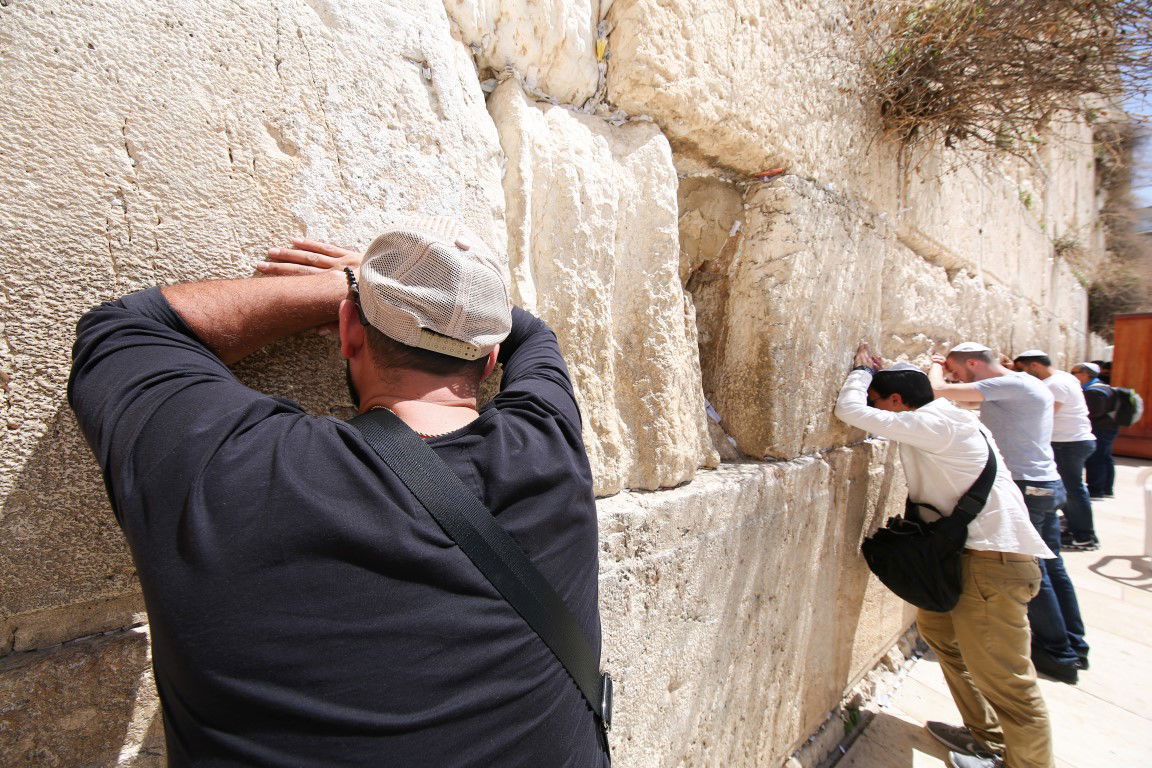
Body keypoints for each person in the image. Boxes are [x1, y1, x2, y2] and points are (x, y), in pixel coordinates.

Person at [68, 218, 609, 767]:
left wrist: (356, 283)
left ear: (350, 331)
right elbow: (533, 333)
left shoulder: (232, 467)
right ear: (490, 360)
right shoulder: (551, 449)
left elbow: (126, 328)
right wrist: (435, 295)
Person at [836, 344, 1054, 768]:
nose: (876, 411)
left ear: (897, 402)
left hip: (992, 563)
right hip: (969, 557)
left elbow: (851, 411)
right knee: (942, 636)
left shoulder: (935, 423)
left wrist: (861, 372)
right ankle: (986, 736)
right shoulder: (945, 419)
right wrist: (885, 371)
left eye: (879, 403)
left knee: (1009, 682)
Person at [928, 343, 1088, 683]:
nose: (955, 376)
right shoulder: (1025, 386)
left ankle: (1057, 652)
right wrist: (950, 379)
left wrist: (937, 365)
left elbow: (939, 390)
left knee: (1031, 571)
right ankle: (1074, 646)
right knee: (1054, 568)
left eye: (958, 370)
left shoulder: (1010, 384)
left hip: (1027, 486)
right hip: (1045, 483)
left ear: (973, 362)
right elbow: (959, 400)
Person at [1012, 351, 1098, 551]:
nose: (1022, 375)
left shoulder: (1054, 385)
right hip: (1075, 440)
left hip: (1067, 443)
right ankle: (1077, 528)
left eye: (1022, 369)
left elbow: (1043, 416)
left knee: (1072, 490)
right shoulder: (1064, 377)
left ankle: (1084, 536)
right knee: (1072, 489)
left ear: (1034, 366)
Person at [1071, 362, 1117, 499]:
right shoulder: (1103, 386)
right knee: (1105, 458)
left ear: (1085, 374)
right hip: (1108, 427)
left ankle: (1096, 490)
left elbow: (1092, 412)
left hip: (1100, 429)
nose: (1071, 375)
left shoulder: (1094, 391)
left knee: (1096, 459)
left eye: (1074, 373)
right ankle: (1107, 488)